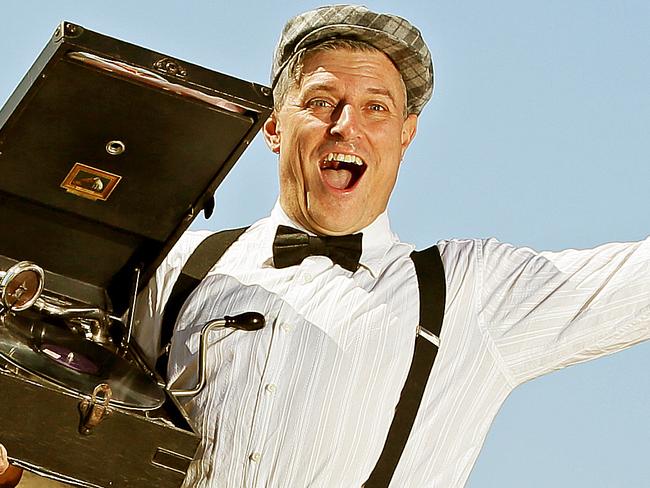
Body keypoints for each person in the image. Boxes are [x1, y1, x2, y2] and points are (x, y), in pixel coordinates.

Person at [1, 4, 648, 488]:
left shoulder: (470, 291)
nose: (348, 125)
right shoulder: (173, 272)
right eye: (322, 100)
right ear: (275, 128)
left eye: (376, 107)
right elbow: (80, 434)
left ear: (407, 134)